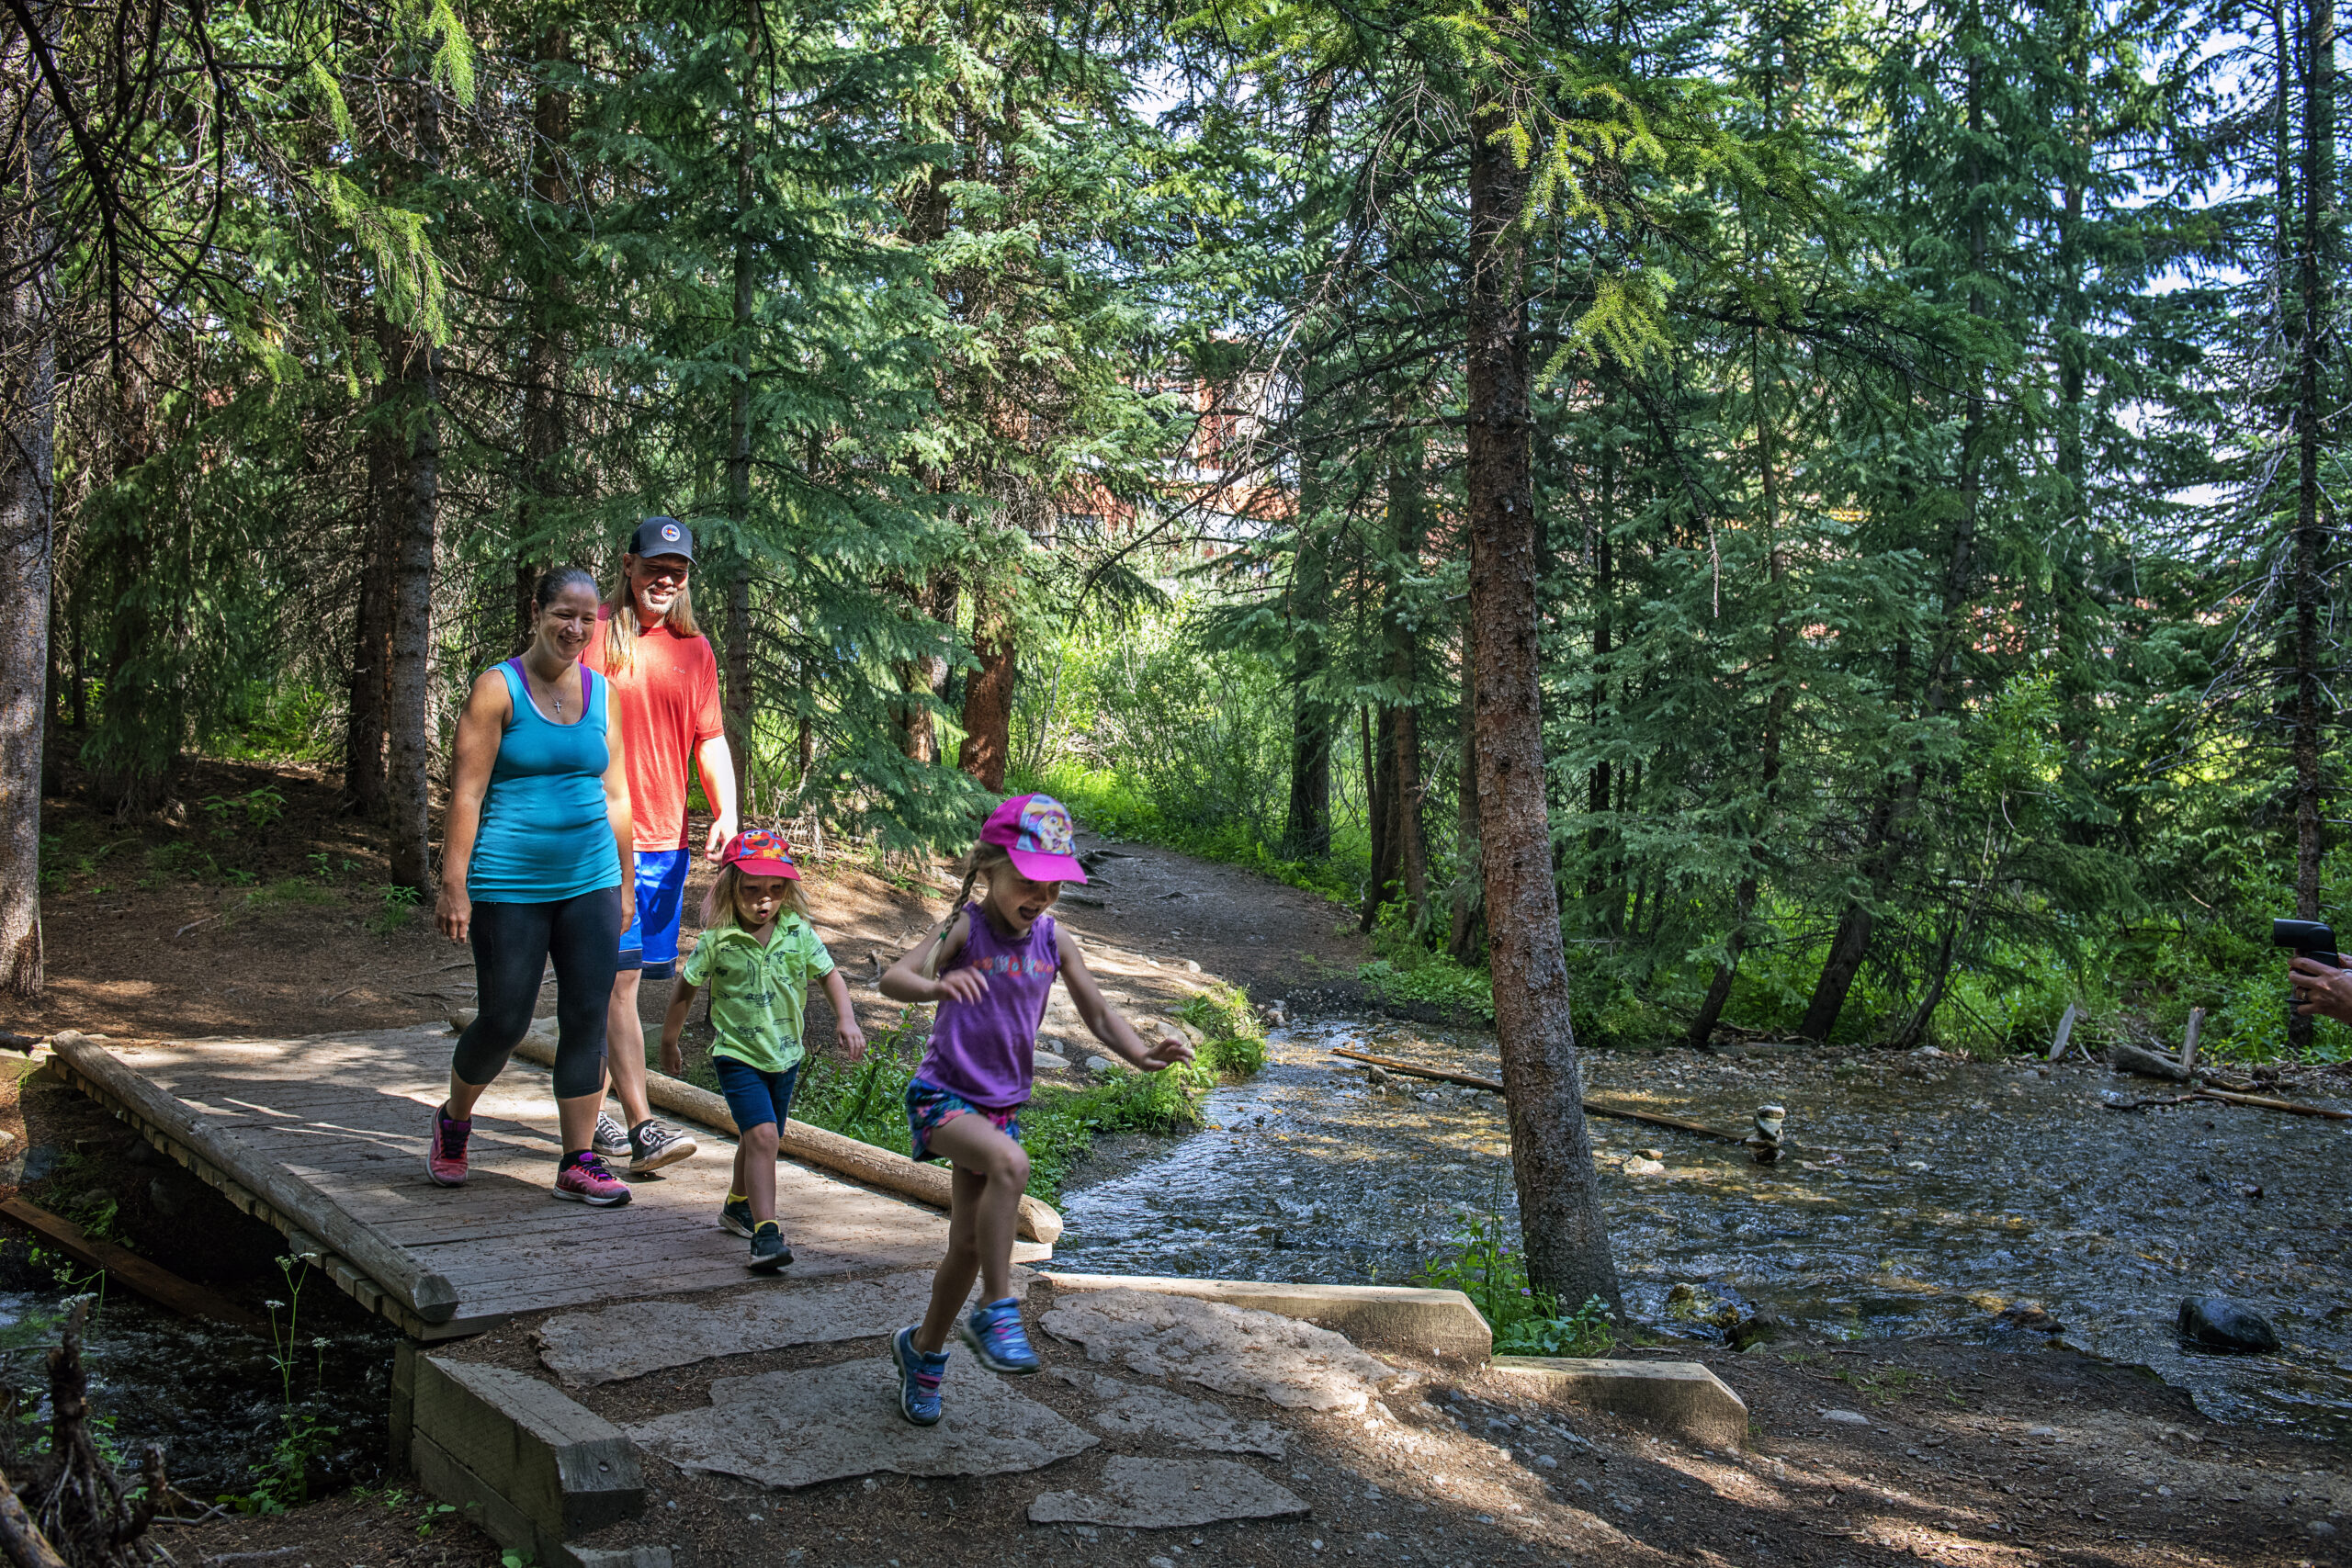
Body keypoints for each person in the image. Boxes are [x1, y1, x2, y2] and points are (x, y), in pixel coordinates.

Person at [877, 794, 1193, 1425]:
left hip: (999, 1108)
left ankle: (923, 1351)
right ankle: (998, 1310)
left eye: (1054, 885)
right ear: (989, 868)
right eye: (1028, 880)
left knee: (966, 1244)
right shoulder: (964, 927)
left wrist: (1141, 1053)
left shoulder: (1055, 939)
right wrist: (938, 983)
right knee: (1012, 1165)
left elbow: (1100, 1013)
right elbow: (894, 977)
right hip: (944, 1096)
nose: (1041, 896)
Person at [431, 567, 637, 1207]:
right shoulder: (498, 688)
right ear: (537, 611)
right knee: (504, 1019)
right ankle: (455, 1119)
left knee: (584, 1016)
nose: (575, 628)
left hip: (590, 880)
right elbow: (466, 790)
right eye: (562, 615)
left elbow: (617, 796)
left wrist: (626, 884)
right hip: (509, 882)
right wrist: (453, 882)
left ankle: (578, 1159)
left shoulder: (604, 694)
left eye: (586, 618)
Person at [582, 516, 739, 1176]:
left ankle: (590, 1124)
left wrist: (726, 808)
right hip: (599, 840)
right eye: (654, 567)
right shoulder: (592, 637)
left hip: (666, 845)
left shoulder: (694, 650)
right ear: (628, 565)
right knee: (613, 984)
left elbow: (709, 738)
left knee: (616, 988)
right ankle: (640, 1125)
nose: (665, 579)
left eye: (677, 570)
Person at [659, 829, 865, 1271]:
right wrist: (668, 1040)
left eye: (775, 889)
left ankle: (737, 1204)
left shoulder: (798, 932)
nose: (763, 900)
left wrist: (846, 1019)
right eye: (751, 890)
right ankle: (766, 1233)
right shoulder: (717, 941)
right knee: (764, 1136)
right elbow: (685, 989)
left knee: (760, 1137)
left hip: (786, 1055)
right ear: (731, 888)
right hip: (736, 1055)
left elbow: (831, 976)